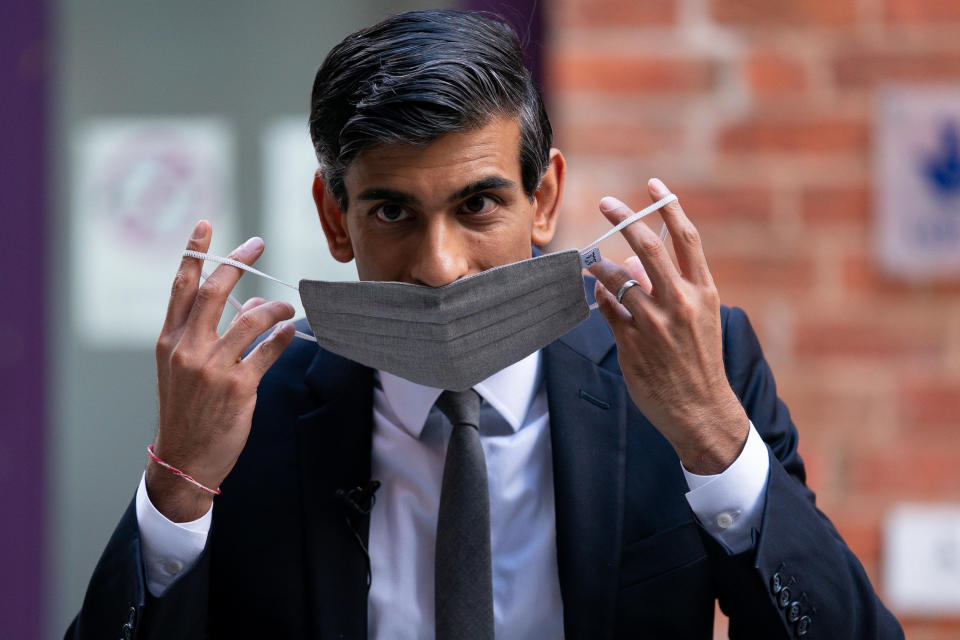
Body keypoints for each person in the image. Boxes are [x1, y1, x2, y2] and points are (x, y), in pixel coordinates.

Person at [66, 9, 902, 639]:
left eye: (479, 205)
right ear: (335, 219)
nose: (440, 264)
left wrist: (715, 437)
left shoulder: (690, 366)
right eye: (392, 210)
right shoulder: (252, 405)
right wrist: (177, 488)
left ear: (543, 200)